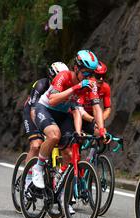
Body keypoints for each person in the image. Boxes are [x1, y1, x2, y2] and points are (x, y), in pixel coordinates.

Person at [31, 50, 107, 192]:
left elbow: (97, 108)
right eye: (86, 73)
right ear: (76, 68)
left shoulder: (90, 84)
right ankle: (38, 167)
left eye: (92, 74)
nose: (89, 77)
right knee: (54, 135)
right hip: (45, 109)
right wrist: (75, 88)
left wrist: (101, 130)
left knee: (70, 154)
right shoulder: (63, 77)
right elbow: (52, 100)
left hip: (64, 115)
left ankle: (61, 195)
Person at [78, 61, 112, 136]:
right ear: (91, 75)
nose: (101, 78)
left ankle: (94, 147)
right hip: (78, 115)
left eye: (104, 75)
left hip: (93, 116)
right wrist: (94, 120)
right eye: (98, 75)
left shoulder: (106, 87)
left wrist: (100, 120)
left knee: (103, 134)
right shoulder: (85, 85)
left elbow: (108, 108)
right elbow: (79, 109)